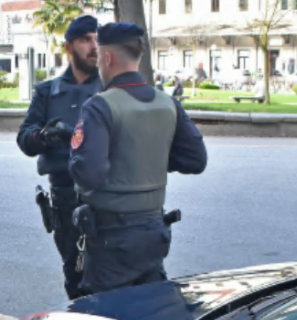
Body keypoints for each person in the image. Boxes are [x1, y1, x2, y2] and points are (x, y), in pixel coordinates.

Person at [68, 22, 208, 295]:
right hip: (154, 231)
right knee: (152, 309)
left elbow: (90, 174)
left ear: (107, 58)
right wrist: (148, 158)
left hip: (112, 237)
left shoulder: (100, 106)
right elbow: (195, 159)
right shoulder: (167, 103)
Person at [17, 15, 102, 300]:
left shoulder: (111, 89)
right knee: (76, 277)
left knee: (113, 276)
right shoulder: (48, 92)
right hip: (66, 197)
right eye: (85, 40)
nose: (94, 46)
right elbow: (25, 138)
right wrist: (44, 136)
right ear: (69, 47)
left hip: (107, 194)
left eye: (96, 39)